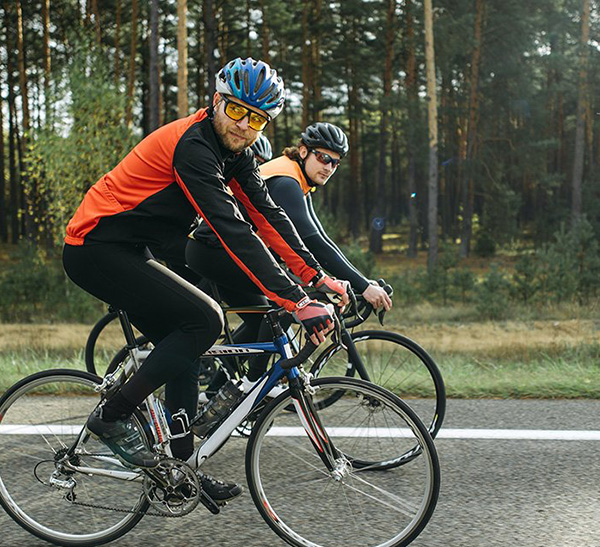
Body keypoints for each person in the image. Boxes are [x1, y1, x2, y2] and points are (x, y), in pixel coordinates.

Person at [62, 57, 348, 504]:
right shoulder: (194, 147)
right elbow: (232, 227)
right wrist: (297, 300)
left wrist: (316, 277)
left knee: (189, 343)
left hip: (131, 248)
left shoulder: (237, 154)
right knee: (205, 321)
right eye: (236, 110)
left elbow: (267, 216)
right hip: (94, 246)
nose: (243, 125)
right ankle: (112, 417)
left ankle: (179, 470)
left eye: (257, 118)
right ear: (217, 101)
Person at [186, 122, 391, 397]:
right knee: (286, 304)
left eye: (335, 163)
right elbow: (312, 241)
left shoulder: (297, 180)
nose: (329, 167)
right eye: (323, 157)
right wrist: (363, 286)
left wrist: (360, 281)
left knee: (263, 319)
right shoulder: (285, 182)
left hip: (221, 251)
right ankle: (252, 384)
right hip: (213, 250)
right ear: (303, 151)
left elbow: (321, 238)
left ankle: (216, 393)